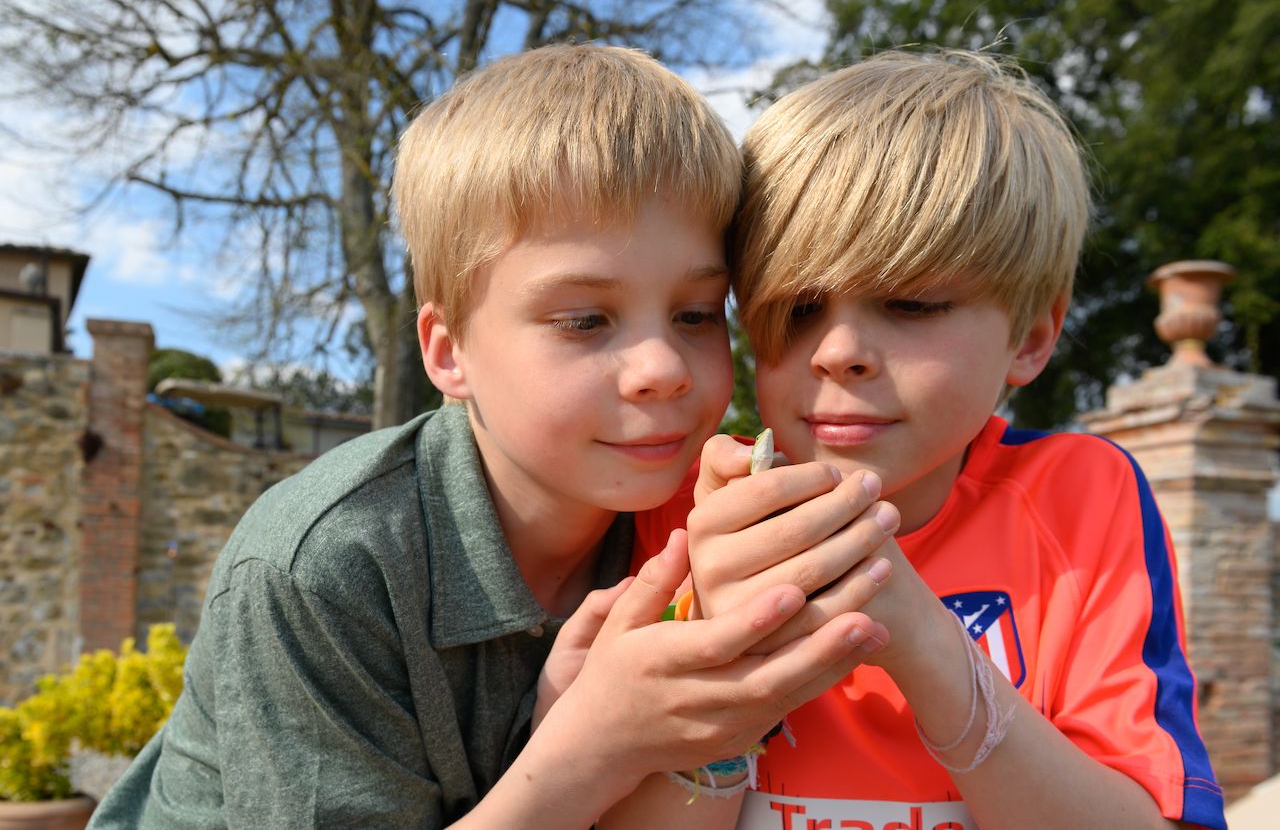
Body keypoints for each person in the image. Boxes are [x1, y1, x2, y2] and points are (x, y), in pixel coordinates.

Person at [88, 44, 895, 830]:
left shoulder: (692, 520)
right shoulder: (327, 565)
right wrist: (592, 748)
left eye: (694, 314)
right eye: (584, 319)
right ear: (449, 351)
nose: (663, 366)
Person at [640, 50, 1226, 829]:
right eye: (800, 303)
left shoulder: (1079, 497)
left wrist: (927, 644)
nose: (836, 350)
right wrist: (720, 652)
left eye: (911, 303)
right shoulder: (683, 505)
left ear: (1033, 334)